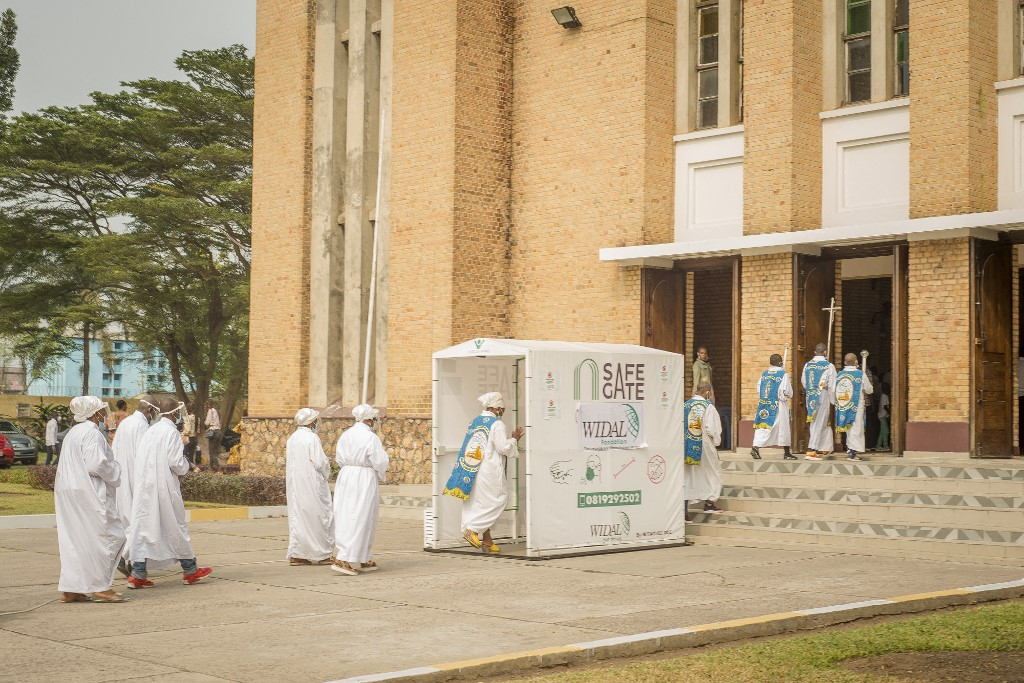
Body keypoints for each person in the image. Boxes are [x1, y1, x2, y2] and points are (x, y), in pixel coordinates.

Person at [126, 397, 211, 589]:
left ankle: (138, 573)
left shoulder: (151, 430)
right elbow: (176, 463)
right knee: (176, 526)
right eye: (179, 413)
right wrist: (185, 465)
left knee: (144, 528)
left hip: (145, 489)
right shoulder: (171, 433)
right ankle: (190, 570)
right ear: (173, 414)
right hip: (163, 488)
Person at [54, 396, 126, 603]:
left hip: (69, 492)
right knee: (107, 535)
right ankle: (100, 586)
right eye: (102, 410)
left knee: (75, 539)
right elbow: (96, 464)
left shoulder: (74, 432)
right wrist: (115, 470)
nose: (105, 414)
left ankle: (72, 588)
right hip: (89, 492)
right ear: (94, 413)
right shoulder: (91, 432)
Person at [449, 392, 524, 554]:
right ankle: (473, 530)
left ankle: (488, 541)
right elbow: (503, 447)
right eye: (501, 410)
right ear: (496, 408)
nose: (502, 412)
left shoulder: (474, 421)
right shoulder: (496, 424)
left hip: (472, 471)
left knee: (478, 504)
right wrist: (514, 440)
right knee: (498, 500)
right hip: (489, 472)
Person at [332, 404, 390, 576]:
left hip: (346, 475)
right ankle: (345, 557)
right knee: (361, 516)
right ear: (369, 419)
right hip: (363, 477)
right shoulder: (370, 438)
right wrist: (382, 471)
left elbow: (339, 458)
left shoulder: (346, 435)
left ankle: (362, 556)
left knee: (347, 514)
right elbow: (379, 460)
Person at [110, 395, 159, 571]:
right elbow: (145, 457)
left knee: (126, 521)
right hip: (135, 480)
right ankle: (126, 558)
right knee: (137, 522)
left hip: (121, 478)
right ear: (151, 410)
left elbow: (113, 450)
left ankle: (127, 558)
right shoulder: (142, 426)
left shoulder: (126, 423)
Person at [286, 408, 334, 566]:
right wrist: (328, 471)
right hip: (311, 483)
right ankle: (322, 554)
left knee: (298, 517)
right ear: (311, 422)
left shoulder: (292, 438)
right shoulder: (311, 438)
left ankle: (298, 554)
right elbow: (319, 462)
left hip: (295, 485)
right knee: (318, 516)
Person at [684, 381, 723, 519]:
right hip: (704, 445)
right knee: (713, 472)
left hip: (687, 444)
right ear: (707, 392)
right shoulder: (708, 407)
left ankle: (685, 511)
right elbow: (712, 429)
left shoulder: (685, 405)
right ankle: (709, 503)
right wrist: (716, 442)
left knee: (688, 477)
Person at [830, 352, 874, 461]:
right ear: (856, 362)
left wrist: (834, 403)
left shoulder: (839, 374)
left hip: (843, 405)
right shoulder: (860, 374)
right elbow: (869, 389)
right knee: (856, 428)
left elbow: (833, 390)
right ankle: (853, 453)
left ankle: (850, 449)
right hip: (856, 406)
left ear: (845, 362)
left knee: (848, 428)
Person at [751, 354, 795, 460]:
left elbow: (758, 388)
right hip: (778, 405)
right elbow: (787, 391)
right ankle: (787, 452)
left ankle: (755, 447)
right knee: (784, 428)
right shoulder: (783, 374)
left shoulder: (764, 374)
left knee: (763, 427)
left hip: (764, 404)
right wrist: (787, 395)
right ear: (780, 363)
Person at [801, 343, 837, 461]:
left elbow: (804, 382)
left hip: (811, 396)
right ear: (825, 352)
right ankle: (811, 450)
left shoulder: (808, 365)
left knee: (824, 421)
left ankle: (825, 446)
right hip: (822, 396)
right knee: (818, 422)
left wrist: (811, 390)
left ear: (815, 352)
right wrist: (833, 400)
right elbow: (832, 385)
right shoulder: (829, 366)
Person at [204, 400, 221, 467]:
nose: (206, 407)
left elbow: (207, 422)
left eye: (206, 405)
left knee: (212, 452)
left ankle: (218, 468)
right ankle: (210, 467)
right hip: (218, 432)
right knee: (213, 451)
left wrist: (205, 423)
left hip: (213, 432)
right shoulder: (215, 411)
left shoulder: (210, 411)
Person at [875, 385, 890, 452]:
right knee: (886, 431)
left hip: (882, 416)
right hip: (882, 416)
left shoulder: (883, 396)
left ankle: (878, 446)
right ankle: (885, 446)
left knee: (882, 432)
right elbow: (885, 406)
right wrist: (890, 412)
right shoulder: (884, 396)